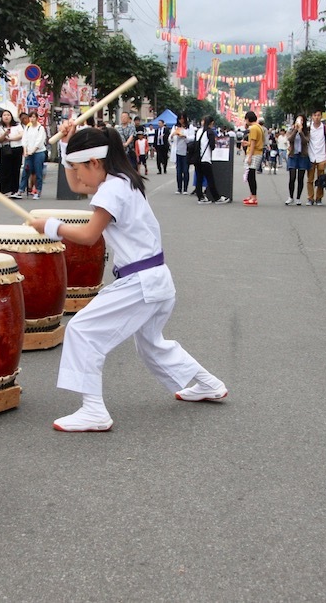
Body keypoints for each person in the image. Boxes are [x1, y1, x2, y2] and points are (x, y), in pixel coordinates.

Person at [28, 125, 228, 432]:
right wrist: (69, 147)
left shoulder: (112, 189)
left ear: (95, 162)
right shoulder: (123, 180)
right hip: (156, 280)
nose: (78, 177)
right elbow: (81, 187)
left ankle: (93, 410)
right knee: (151, 345)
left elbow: (88, 234)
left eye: (80, 168)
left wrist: (52, 226)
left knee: (82, 329)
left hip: (140, 284)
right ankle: (208, 384)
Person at [195, 116, 228, 204]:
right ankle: (217, 198)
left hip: (198, 159)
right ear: (211, 123)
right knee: (210, 179)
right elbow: (212, 146)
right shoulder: (210, 132)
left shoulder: (199, 131)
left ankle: (200, 197)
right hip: (206, 158)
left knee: (199, 178)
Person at [306, 110, 326, 205]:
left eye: (318, 115)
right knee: (310, 179)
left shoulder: (325, 129)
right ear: (312, 116)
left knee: (321, 179)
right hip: (311, 156)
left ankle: (319, 198)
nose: (316, 117)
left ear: (321, 116)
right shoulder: (309, 129)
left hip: (322, 157)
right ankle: (310, 198)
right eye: (314, 115)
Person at [0, 109, 24, 198]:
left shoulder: (17, 125)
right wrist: (5, 134)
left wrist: (11, 139)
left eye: (8, 115)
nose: (6, 117)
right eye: (4, 115)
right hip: (5, 149)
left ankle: (14, 190)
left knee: (15, 170)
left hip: (17, 148)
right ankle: (4, 190)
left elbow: (21, 135)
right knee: (5, 170)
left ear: (11, 116)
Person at [20, 112, 47, 199]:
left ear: (37, 118)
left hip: (38, 152)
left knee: (38, 171)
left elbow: (39, 141)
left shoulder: (40, 128)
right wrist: (25, 151)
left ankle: (38, 190)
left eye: (33, 117)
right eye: (30, 117)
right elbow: (24, 139)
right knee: (26, 171)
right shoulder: (27, 127)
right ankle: (21, 189)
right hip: (28, 152)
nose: (32, 119)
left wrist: (33, 151)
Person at [285, 115, 310, 205]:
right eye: (298, 120)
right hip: (293, 155)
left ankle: (298, 197)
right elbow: (290, 139)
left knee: (300, 178)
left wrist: (301, 132)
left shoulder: (306, 131)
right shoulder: (291, 130)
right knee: (292, 178)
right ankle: (291, 197)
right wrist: (295, 130)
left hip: (302, 156)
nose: (300, 122)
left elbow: (305, 141)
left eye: (301, 120)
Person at [242, 110, 263, 206]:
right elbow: (255, 141)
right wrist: (248, 143)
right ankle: (252, 195)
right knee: (251, 175)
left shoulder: (253, 128)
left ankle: (254, 197)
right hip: (257, 152)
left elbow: (254, 142)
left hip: (254, 153)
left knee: (251, 175)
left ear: (247, 119)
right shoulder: (258, 127)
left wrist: (249, 156)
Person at [171, 114, 190, 194]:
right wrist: (173, 135)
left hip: (186, 151)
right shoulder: (175, 127)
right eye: (180, 119)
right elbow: (170, 138)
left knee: (185, 170)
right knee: (178, 171)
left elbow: (192, 138)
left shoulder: (189, 127)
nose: (181, 120)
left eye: (182, 119)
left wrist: (185, 136)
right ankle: (179, 188)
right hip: (177, 151)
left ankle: (185, 188)